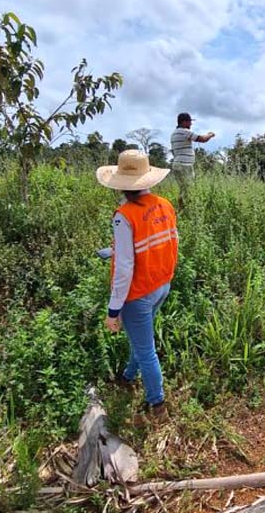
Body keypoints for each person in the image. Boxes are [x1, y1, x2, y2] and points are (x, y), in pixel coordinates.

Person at [97, 150, 179, 422]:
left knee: (146, 351)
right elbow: (165, 242)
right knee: (140, 338)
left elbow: (124, 269)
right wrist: (117, 250)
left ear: (120, 183)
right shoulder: (165, 205)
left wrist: (113, 310)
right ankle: (128, 376)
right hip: (161, 285)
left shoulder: (124, 215)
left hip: (138, 293)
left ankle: (158, 406)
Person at [169, 112, 215, 207]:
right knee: (189, 189)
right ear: (184, 122)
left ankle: (182, 210)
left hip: (178, 164)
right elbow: (202, 139)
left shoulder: (174, 133)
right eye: (189, 121)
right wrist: (210, 134)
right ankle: (185, 210)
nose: (191, 124)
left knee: (184, 189)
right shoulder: (184, 131)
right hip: (184, 165)